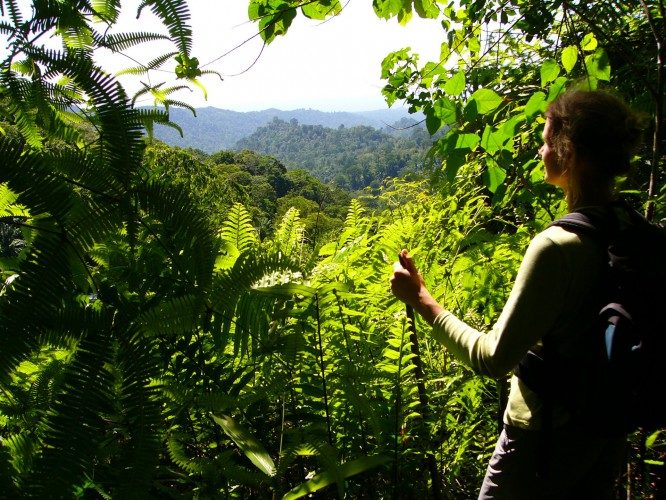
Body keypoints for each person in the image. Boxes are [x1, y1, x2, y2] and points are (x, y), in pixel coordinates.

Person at [390, 89, 644, 499]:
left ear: (569, 152)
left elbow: (493, 358)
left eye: (546, 141)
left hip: (540, 440)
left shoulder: (557, 247)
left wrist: (421, 298)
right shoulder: (632, 229)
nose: (541, 151)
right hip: (603, 433)